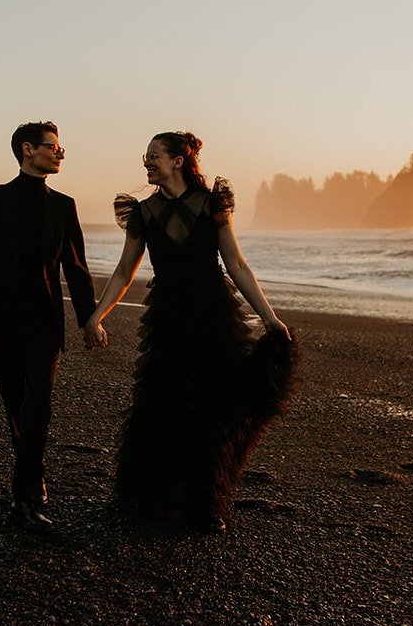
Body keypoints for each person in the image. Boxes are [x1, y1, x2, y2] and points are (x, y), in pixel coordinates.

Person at [83, 131, 298, 532]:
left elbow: (236, 263)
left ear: (178, 161)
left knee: (214, 406)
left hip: (214, 315)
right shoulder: (143, 212)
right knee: (164, 405)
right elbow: (125, 271)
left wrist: (269, 318)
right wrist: (98, 315)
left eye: (153, 156)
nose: (146, 162)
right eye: (145, 156)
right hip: (168, 318)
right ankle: (157, 497)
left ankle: (205, 502)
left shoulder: (212, 203)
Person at [0, 121, 97, 531]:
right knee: (16, 404)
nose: (61, 154)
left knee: (38, 404)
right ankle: (31, 477)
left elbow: (75, 268)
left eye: (60, 148)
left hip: (43, 323)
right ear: (27, 150)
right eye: (53, 147)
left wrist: (89, 319)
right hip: (1, 323)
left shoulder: (63, 205)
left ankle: (24, 495)